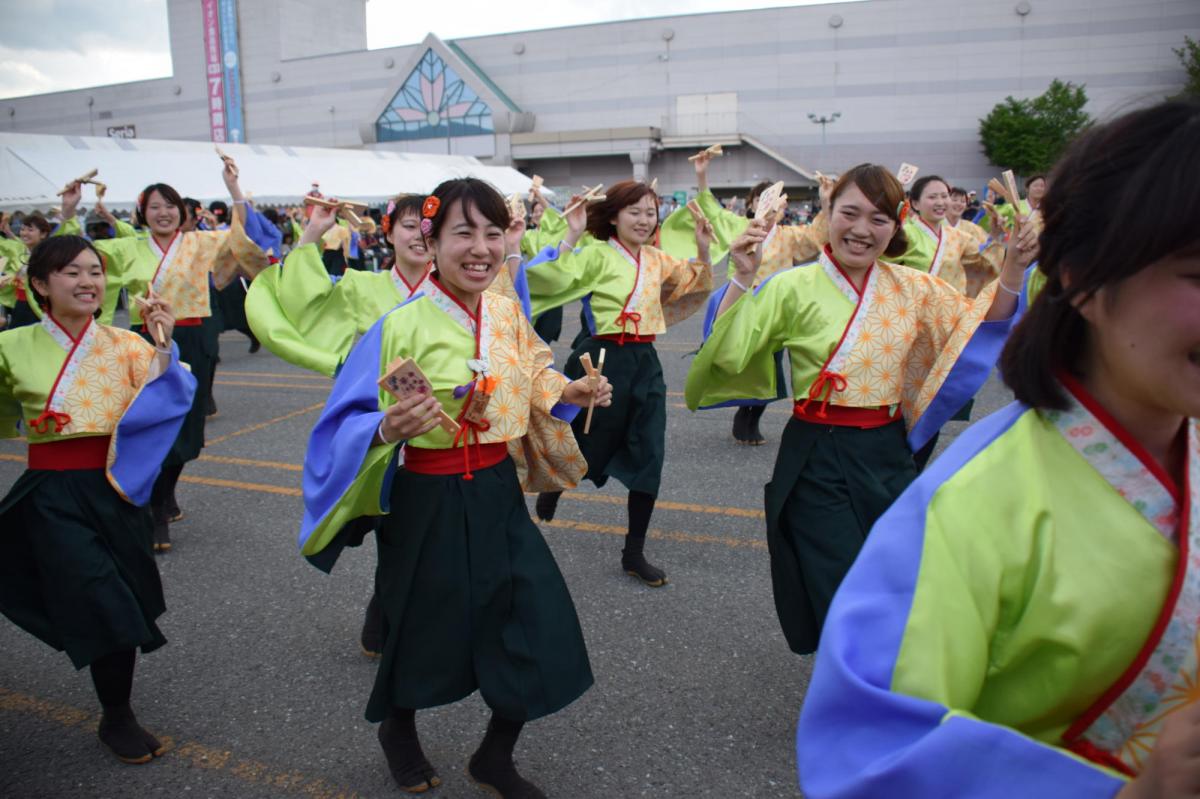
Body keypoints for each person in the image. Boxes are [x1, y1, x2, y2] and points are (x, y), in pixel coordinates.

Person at [796, 98, 1200, 799]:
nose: (864, 230)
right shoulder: (972, 502)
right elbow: (868, 758)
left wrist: (1006, 281)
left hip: (882, 437)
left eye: (880, 216)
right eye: (1196, 273)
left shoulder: (923, 278)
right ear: (1079, 276)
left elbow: (963, 324)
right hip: (817, 439)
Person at [299, 178, 607, 798]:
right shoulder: (396, 324)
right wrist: (385, 425)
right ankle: (398, 728)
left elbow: (534, 370)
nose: (481, 248)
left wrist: (565, 392)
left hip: (495, 489)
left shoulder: (505, 311)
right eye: (463, 232)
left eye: (493, 233)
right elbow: (341, 422)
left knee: (533, 619)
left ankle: (494, 755)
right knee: (420, 625)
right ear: (430, 240)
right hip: (426, 498)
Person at [686, 163, 1037, 655]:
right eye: (849, 213)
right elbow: (726, 353)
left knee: (893, 582)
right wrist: (742, 278)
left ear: (897, 225)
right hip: (815, 455)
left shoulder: (915, 288)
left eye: (878, 219)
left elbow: (976, 328)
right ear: (828, 213)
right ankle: (852, 695)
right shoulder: (791, 286)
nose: (861, 230)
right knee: (839, 589)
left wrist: (1016, 268)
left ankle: (875, 684)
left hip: (887, 453)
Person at [0, 235, 196, 764]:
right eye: (71, 272)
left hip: (117, 487)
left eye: (95, 271)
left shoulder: (127, 343)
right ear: (39, 285)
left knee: (125, 597)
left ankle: (115, 710)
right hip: (53, 493)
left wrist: (161, 345)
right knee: (101, 597)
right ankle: (120, 714)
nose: (88, 282)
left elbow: (166, 401)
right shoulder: (10, 345)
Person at [56, 162, 269, 552]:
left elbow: (245, 238)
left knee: (189, 425)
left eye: (170, 205)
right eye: (154, 206)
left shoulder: (199, 242)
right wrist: (69, 212)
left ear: (182, 212)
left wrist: (233, 187)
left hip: (195, 333)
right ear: (141, 212)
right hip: (146, 338)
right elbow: (75, 255)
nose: (164, 212)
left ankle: (166, 489)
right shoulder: (129, 245)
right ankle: (154, 509)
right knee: (150, 420)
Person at [526, 179, 715, 586]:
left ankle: (634, 551)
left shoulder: (657, 259)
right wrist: (572, 234)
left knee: (651, 451)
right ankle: (555, 485)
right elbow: (550, 278)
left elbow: (693, 283)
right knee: (582, 437)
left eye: (651, 212)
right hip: (600, 358)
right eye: (635, 211)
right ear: (613, 216)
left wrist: (702, 248)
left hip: (644, 360)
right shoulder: (596, 254)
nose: (645, 220)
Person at [676, 152, 833, 445]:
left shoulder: (791, 236)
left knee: (771, 369)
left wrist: (825, 202)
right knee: (740, 361)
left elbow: (818, 236)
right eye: (764, 203)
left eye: (776, 205)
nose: (771, 211)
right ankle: (742, 413)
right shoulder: (740, 229)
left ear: (782, 209)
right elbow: (712, 215)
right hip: (743, 305)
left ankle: (752, 416)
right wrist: (701, 175)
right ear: (752, 205)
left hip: (775, 310)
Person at [0, 213, 54, 329]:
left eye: (30, 230)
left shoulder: (46, 255)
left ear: (43, 234)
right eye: (22, 229)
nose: (24, 233)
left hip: (37, 305)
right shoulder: (24, 252)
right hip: (21, 303)